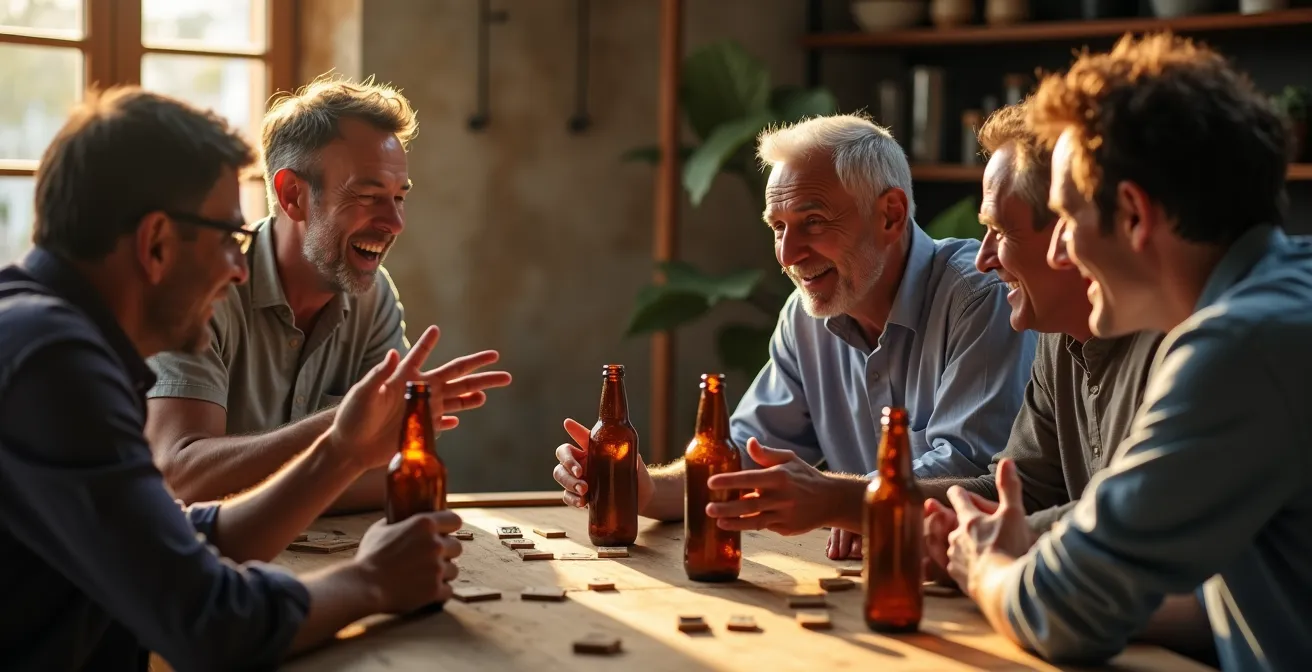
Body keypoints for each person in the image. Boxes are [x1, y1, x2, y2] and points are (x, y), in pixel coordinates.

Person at [0, 87, 462, 670]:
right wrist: (372, 581)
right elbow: (210, 623)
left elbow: (170, 536)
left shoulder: (42, 335)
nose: (239, 268)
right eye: (228, 238)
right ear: (157, 243)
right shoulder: (51, 364)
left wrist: (341, 451)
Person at [944, 33, 1312, 671]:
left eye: (1067, 218)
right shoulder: (1285, 296)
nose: (1061, 254)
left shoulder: (1240, 345)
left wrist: (986, 570)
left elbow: (1062, 609)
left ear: (1136, 215)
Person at [553, 114, 1036, 543]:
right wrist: (648, 488)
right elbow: (740, 456)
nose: (788, 255)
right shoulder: (804, 316)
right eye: (778, 227)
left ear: (890, 215)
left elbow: (973, 471)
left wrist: (849, 505)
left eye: (813, 222)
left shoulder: (982, 296)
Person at [144, 76, 511, 510]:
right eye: (368, 195)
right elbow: (181, 477)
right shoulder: (205, 290)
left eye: (398, 197)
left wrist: (326, 459)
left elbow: (401, 474)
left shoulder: (372, 298)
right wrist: (345, 430)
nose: (394, 223)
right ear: (292, 195)